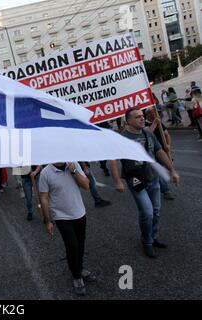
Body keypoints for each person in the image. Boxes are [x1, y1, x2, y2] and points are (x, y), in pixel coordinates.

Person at [109, 108, 180, 259]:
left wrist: (172, 170)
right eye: (137, 117)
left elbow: (159, 152)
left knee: (156, 211)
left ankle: (153, 237)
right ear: (128, 121)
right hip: (135, 181)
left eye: (142, 116)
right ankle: (147, 242)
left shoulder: (148, 133)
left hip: (153, 178)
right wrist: (117, 181)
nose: (142, 119)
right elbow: (113, 160)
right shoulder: (122, 138)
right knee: (147, 213)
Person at [38, 162, 96, 296]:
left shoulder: (73, 164)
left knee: (80, 244)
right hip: (61, 216)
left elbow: (86, 186)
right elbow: (44, 197)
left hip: (79, 212)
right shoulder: (46, 173)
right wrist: (48, 221)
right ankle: (76, 277)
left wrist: (74, 171)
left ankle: (79, 268)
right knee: (72, 246)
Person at [144, 108, 175, 200]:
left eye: (156, 113)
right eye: (154, 113)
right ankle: (166, 191)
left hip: (162, 151)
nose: (156, 114)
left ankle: (157, 187)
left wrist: (168, 145)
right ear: (149, 115)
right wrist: (155, 123)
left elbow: (166, 134)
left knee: (162, 169)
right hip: (151, 153)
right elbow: (147, 134)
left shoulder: (159, 123)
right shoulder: (144, 125)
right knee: (159, 171)